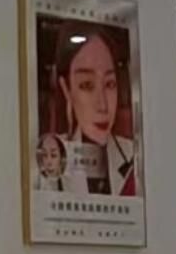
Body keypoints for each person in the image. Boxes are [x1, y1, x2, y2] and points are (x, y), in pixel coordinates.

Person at [51, 25, 138, 197]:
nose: (103, 105)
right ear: (67, 89)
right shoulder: (50, 159)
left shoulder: (134, 156)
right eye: (87, 85)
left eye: (110, 84)